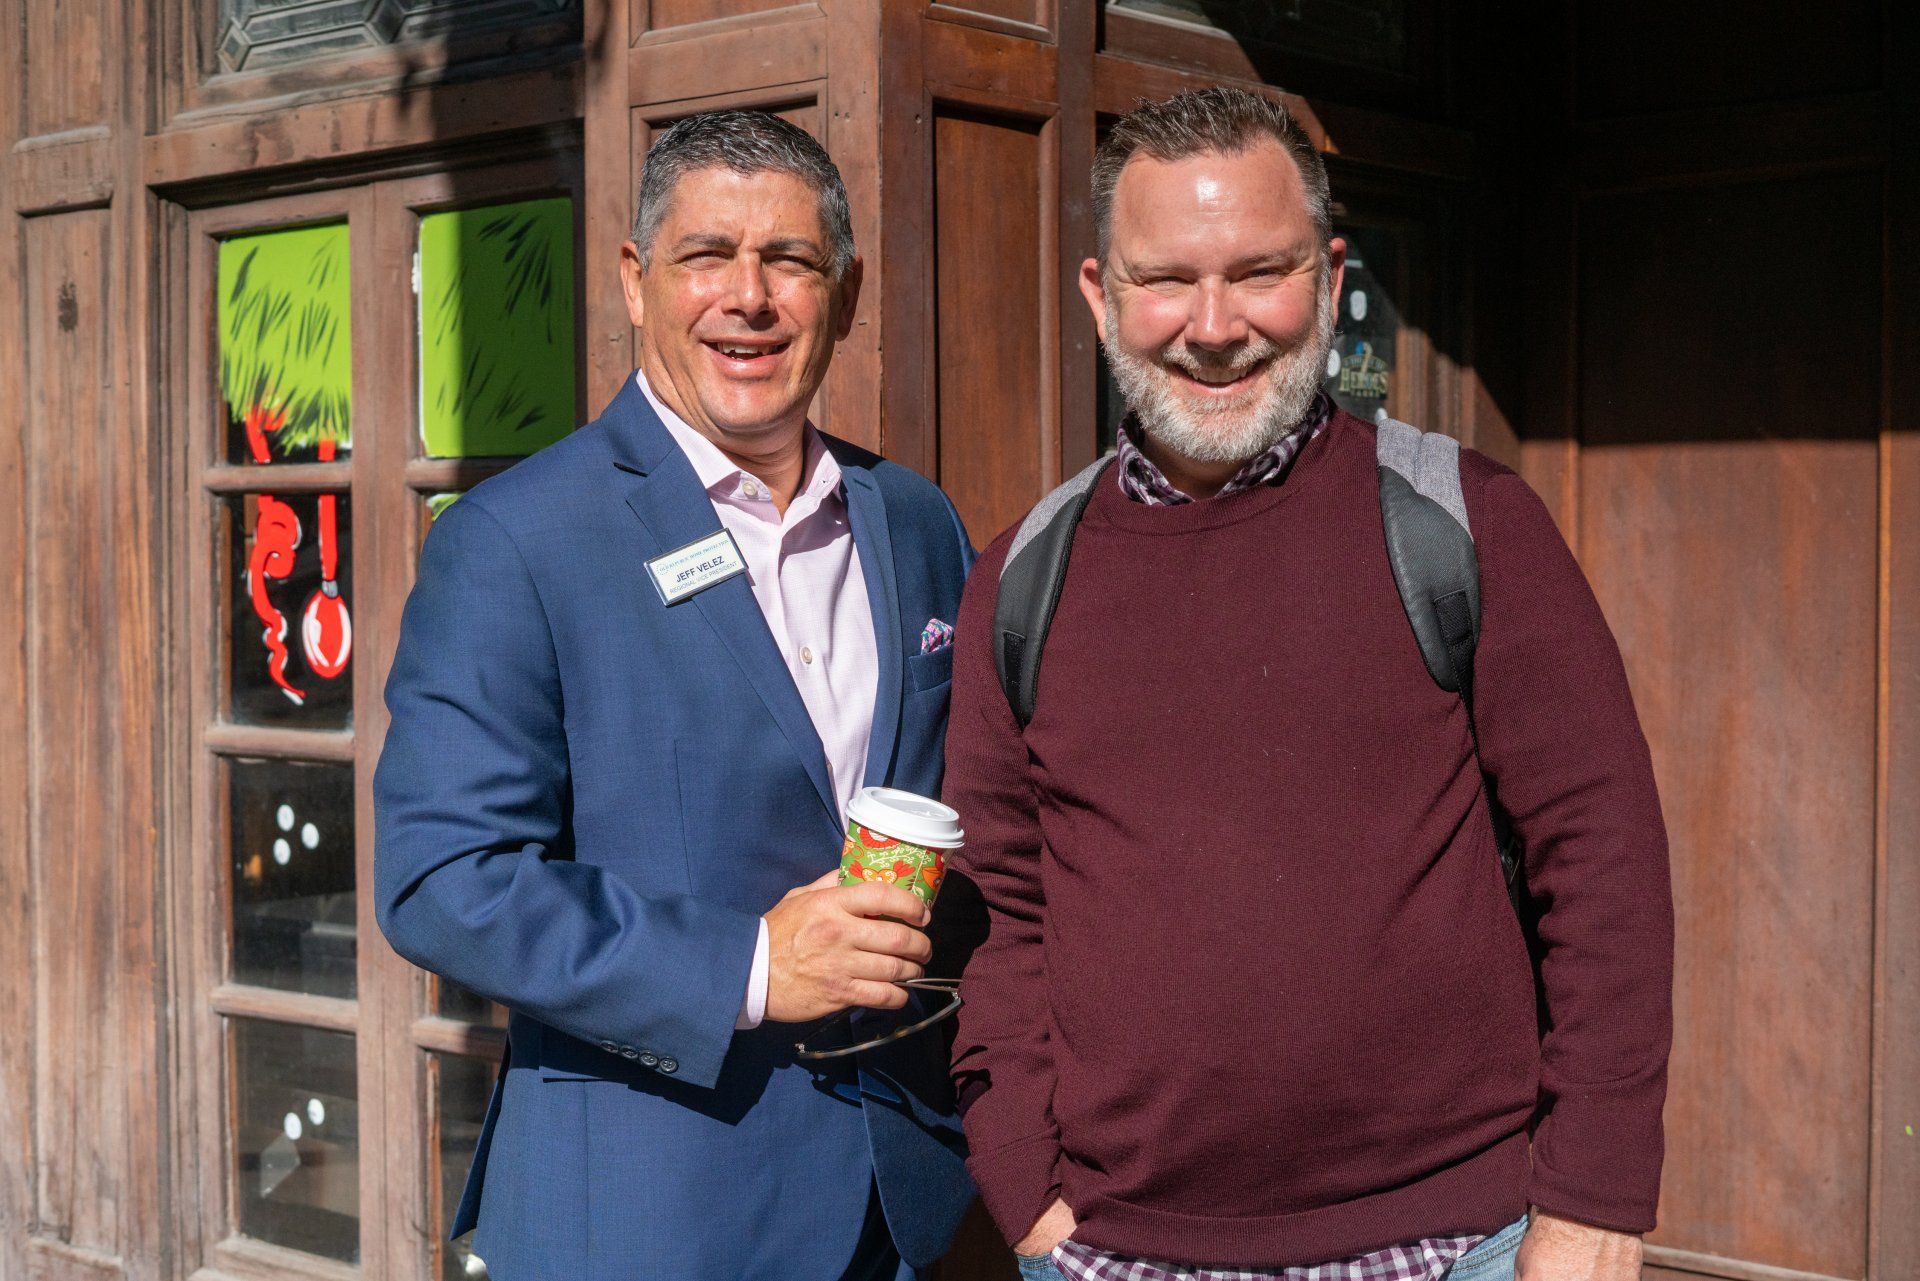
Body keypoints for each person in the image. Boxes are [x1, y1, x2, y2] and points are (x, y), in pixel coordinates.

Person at [944, 87, 1671, 1281]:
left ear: (1331, 279)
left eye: (1259, 273)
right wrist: (1026, 1185)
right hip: (1116, 1253)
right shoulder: (1024, 575)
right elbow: (999, 914)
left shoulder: (1465, 522)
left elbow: (1603, 861)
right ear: (1101, 296)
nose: (1214, 326)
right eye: (1166, 279)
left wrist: (1595, 1194)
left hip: (1455, 1245)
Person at [375, 110, 975, 1281]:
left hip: (900, 1197)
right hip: (652, 1214)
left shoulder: (915, 519)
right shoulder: (518, 540)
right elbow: (442, 882)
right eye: (707, 256)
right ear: (634, 281)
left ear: (845, 296)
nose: (748, 298)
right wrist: (748, 967)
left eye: (790, 261)